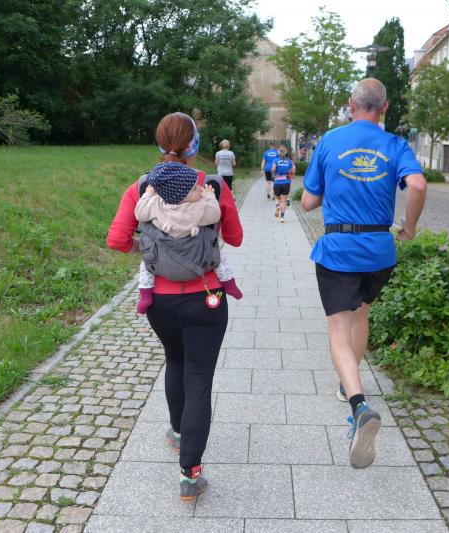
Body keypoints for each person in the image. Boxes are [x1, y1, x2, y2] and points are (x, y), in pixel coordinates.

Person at [107, 112, 243, 501]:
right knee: (199, 377)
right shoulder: (213, 185)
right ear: (194, 146)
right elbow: (235, 237)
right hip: (207, 297)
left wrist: (150, 246)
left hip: (160, 303)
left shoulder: (141, 188)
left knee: (176, 361)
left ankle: (179, 431)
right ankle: (190, 474)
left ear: (159, 144)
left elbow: (116, 240)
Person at [300, 79, 426, 469]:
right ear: (384, 108)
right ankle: (347, 381)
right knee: (362, 314)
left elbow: (308, 202)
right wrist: (410, 227)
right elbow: (417, 184)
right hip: (379, 250)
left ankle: (358, 407)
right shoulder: (396, 145)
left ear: (351, 104)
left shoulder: (330, 141)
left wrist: (330, 189)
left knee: (339, 327)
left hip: (339, 249)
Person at [133, 165, 243, 315]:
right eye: (194, 189)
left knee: (146, 264)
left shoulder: (156, 204)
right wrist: (209, 196)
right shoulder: (198, 207)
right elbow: (214, 215)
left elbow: (139, 213)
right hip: (197, 255)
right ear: (180, 195)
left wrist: (147, 195)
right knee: (219, 257)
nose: (199, 189)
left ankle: (145, 295)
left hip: (163, 262)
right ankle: (229, 283)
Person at [271, 146, 295, 223]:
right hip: (286, 182)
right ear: (286, 153)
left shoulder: (275, 160)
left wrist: (273, 175)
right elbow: (293, 169)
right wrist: (292, 175)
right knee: (284, 201)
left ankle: (278, 206)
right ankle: (282, 217)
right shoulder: (289, 161)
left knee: (277, 198)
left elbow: (273, 169)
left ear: (278, 152)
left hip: (277, 182)